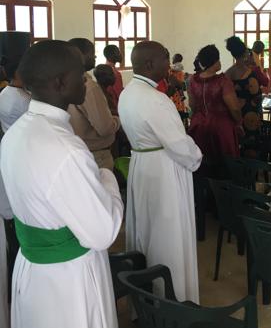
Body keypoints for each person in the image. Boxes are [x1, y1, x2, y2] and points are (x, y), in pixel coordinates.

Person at [0, 40, 123, 328]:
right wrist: (107, 178)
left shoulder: (16, 133)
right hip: (69, 277)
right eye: (80, 73)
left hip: (32, 269)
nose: (86, 80)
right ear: (60, 82)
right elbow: (103, 232)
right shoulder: (66, 147)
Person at [121, 41, 203, 303]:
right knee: (167, 234)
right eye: (165, 59)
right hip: (163, 170)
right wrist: (196, 157)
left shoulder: (128, 92)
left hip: (141, 165)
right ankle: (171, 299)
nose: (168, 65)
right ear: (149, 64)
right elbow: (178, 144)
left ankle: (145, 299)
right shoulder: (156, 100)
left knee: (146, 230)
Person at [187, 44, 241, 178]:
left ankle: (203, 189)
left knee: (202, 166)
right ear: (214, 61)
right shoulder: (223, 81)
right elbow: (234, 108)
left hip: (198, 126)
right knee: (224, 167)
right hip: (221, 128)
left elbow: (192, 105)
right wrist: (238, 122)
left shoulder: (192, 80)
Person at [67, 38, 121, 171]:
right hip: (96, 156)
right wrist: (117, 120)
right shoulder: (89, 87)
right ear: (80, 55)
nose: (95, 56)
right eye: (92, 53)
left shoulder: (66, 82)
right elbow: (105, 128)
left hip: (77, 151)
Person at [0, 53, 30, 133]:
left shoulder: (4, 92)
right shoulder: (23, 100)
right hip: (21, 136)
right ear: (17, 73)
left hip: (7, 133)